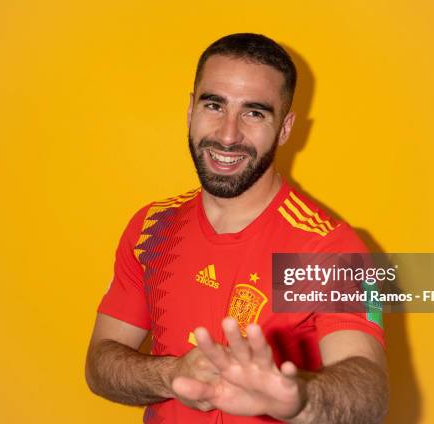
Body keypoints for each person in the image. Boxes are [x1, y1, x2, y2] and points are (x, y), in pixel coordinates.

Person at [85, 33, 389, 423]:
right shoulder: (151, 226)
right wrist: (172, 374)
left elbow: (369, 391)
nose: (228, 135)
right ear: (191, 108)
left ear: (284, 127)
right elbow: (100, 363)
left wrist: (298, 399)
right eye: (214, 105)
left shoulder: (327, 246)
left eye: (254, 113)